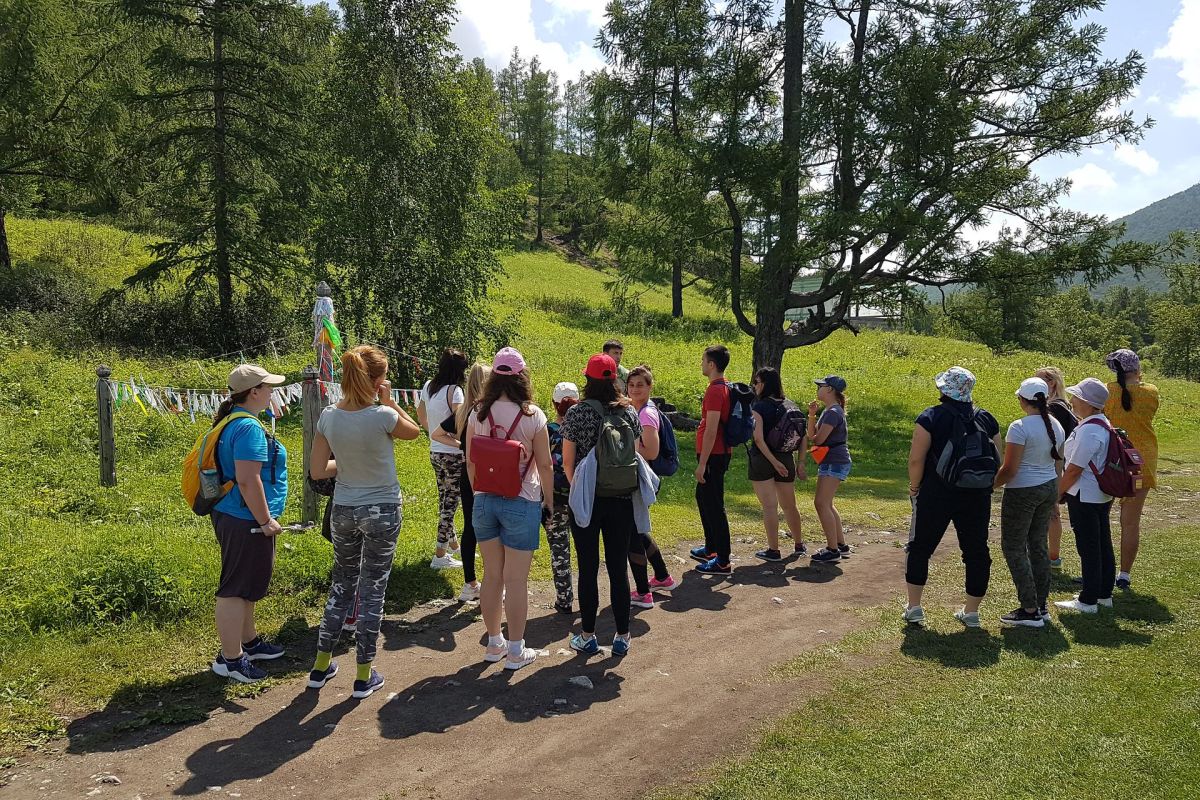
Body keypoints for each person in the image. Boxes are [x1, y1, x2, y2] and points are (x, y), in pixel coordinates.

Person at [306, 346, 421, 698]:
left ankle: (320, 666)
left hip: (344, 510)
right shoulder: (383, 415)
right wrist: (390, 401)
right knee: (373, 589)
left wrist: (348, 464)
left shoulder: (328, 416)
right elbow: (414, 432)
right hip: (382, 508)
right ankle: (363, 674)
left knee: (341, 584)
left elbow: (316, 470)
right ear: (375, 381)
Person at [465, 347, 553, 670]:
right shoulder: (534, 416)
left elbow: (471, 461)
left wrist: (480, 492)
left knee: (491, 575)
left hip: (484, 500)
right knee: (516, 580)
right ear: (522, 378)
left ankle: (493, 644)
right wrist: (549, 501)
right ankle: (516, 650)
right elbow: (544, 465)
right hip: (523, 500)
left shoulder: (478, 413)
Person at [903, 367, 1004, 627]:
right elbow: (998, 460)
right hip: (976, 495)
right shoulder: (986, 418)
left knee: (920, 547)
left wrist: (915, 487)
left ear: (942, 389)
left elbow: (917, 459)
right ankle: (971, 612)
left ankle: (914, 607)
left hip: (937, 493)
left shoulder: (930, 417)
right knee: (976, 551)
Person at [209, 365, 289, 684]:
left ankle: (249, 642)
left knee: (247, 584)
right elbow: (247, 479)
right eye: (268, 387)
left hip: (236, 515)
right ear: (254, 392)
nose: (273, 393)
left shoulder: (234, 421)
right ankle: (230, 659)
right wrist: (266, 520)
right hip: (245, 518)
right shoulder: (249, 428)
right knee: (235, 587)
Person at [561, 353, 642, 655]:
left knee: (588, 567)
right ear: (615, 380)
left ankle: (587, 635)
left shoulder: (577, 413)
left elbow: (568, 461)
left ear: (588, 379)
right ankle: (622, 636)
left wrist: (578, 488)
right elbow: (633, 452)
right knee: (618, 569)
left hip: (588, 500)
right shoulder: (629, 413)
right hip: (621, 498)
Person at [994, 377, 1065, 627]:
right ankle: (1041, 605)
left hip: (1023, 491)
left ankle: (1029, 608)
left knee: (1013, 546)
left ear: (1023, 400)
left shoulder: (1019, 426)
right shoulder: (1055, 424)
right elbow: (1058, 464)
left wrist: (989, 486)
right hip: (1047, 487)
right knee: (1038, 546)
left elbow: (1010, 469)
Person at [1055, 378, 1117, 614]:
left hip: (1084, 494)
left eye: (1077, 398)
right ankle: (1103, 593)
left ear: (1089, 403)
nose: (1072, 401)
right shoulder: (1101, 423)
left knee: (1089, 546)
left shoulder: (1090, 429)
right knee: (1101, 542)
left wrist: (1057, 493)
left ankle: (1088, 599)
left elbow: (1074, 469)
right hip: (1099, 493)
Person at [432, 363, 491, 602]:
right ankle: (492, 582)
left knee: (470, 527)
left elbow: (436, 433)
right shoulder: (485, 411)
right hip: (488, 473)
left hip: (468, 475)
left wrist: (461, 445)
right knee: (490, 529)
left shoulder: (463, 411)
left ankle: (470, 583)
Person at [625, 365, 680, 609]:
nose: (635, 389)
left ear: (650, 387)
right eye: (632, 384)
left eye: (640, 385)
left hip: (641, 478)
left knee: (632, 534)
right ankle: (662, 576)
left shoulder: (646, 414)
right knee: (638, 528)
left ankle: (644, 593)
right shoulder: (636, 409)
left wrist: (626, 447)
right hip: (639, 476)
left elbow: (652, 451)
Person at [1103, 349, 1158, 591]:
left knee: (1100, 517)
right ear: (1136, 368)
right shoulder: (1151, 392)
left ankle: (1099, 569)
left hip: (1113, 460)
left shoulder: (1107, 391)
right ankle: (1124, 574)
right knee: (1131, 523)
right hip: (1142, 461)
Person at [748, 367, 808, 562]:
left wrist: (772, 462)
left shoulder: (759, 407)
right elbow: (803, 436)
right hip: (786, 457)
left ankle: (773, 550)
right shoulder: (791, 405)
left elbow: (758, 439)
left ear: (764, 384)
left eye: (756, 382)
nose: (754, 386)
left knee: (769, 507)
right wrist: (800, 462)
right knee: (790, 505)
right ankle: (799, 544)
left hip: (763, 460)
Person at [417, 348, 469, 570]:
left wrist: (433, 433)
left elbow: (421, 415)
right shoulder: (455, 391)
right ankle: (439, 555)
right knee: (450, 503)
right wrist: (456, 440)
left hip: (435, 451)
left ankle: (454, 546)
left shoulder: (428, 386)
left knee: (444, 499)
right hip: (454, 454)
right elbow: (460, 422)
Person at [691, 345, 734, 575]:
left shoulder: (716, 391)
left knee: (715, 506)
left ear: (711, 365)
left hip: (714, 454)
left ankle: (723, 561)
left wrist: (702, 462)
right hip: (716, 453)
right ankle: (712, 548)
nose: (701, 364)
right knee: (703, 497)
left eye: (703, 360)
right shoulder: (721, 387)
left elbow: (711, 428)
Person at [1035, 366, 1077, 569]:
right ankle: (1051, 555)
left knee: (1050, 512)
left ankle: (1051, 556)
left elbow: (1052, 439)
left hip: (1053, 465)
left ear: (1052, 382)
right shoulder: (1064, 405)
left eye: (1040, 379)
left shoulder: (1055, 407)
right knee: (1051, 512)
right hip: (1060, 464)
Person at [807, 376, 851, 563]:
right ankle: (840, 545)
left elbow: (818, 440)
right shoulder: (829, 411)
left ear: (830, 390)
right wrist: (811, 415)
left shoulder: (833, 412)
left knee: (821, 503)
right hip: (831, 460)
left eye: (821, 386)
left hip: (835, 461)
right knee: (827, 503)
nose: (818, 388)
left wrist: (815, 434)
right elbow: (812, 435)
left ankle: (832, 549)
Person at [545, 381, 580, 614]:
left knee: (560, 550)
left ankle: (564, 599)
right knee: (585, 549)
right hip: (580, 497)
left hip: (555, 499)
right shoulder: (583, 428)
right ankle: (589, 595)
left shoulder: (547, 431)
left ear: (553, 404)